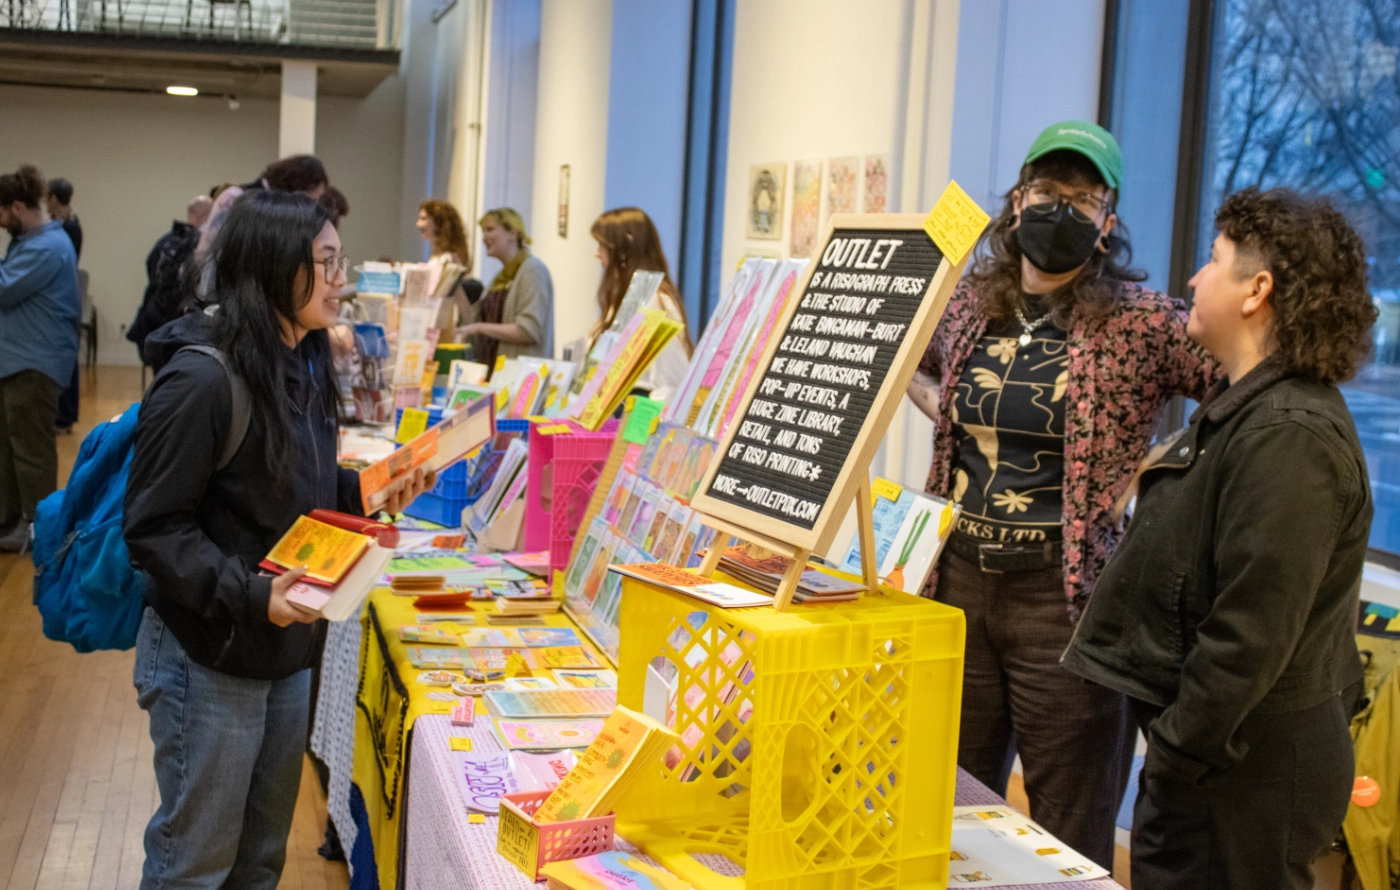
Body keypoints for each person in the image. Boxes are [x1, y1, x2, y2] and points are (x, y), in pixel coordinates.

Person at [906, 121, 1218, 869]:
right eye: (1049, 191)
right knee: (955, 807)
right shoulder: (967, 310)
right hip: (957, 586)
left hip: (1068, 604)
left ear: (1108, 222)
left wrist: (1153, 469)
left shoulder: (1141, 323)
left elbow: (1244, 388)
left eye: (1085, 198)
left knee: (1067, 830)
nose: (1063, 210)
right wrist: (938, 401)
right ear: (1017, 201)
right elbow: (903, 361)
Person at [1062, 187, 1375, 889]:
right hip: (1218, 766)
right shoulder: (1251, 412)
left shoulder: (1291, 435)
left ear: (1257, 290)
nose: (1196, 278)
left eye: (1213, 260)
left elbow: (1249, 630)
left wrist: (1175, 754)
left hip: (1241, 775)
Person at [123, 190, 433, 889]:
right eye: (324, 263)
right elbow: (152, 526)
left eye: (339, 260)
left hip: (285, 651)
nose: (341, 280)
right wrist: (254, 594)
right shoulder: (204, 378)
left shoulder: (305, 358)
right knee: (193, 866)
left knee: (260, 861)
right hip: (209, 652)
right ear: (271, 268)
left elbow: (295, 492)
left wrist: (367, 493)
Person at [0, 165, 79, 554]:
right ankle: (13, 521)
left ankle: (38, 527)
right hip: (18, 362)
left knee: (30, 451)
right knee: (8, 446)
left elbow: (2, 289)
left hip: (33, 364)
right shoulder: (33, 241)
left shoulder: (46, 247)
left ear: (17, 206)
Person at [590, 207, 694, 400]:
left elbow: (672, 380)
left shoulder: (655, 300)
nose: (597, 254)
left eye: (602, 245)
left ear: (625, 245)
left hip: (639, 417)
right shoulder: (626, 296)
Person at [457, 208, 552, 370]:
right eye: (483, 231)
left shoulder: (533, 271)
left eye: (490, 230)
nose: (484, 238)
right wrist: (455, 285)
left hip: (520, 380)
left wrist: (480, 327)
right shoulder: (498, 278)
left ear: (513, 233)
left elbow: (528, 331)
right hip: (494, 375)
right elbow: (472, 324)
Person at [127, 195, 212, 357]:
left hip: (153, 320)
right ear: (204, 217)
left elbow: (151, 270)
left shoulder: (164, 241)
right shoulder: (196, 247)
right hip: (176, 325)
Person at [46, 177, 83, 433]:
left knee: (66, 361)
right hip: (63, 299)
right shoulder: (68, 224)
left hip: (60, 301)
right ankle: (62, 416)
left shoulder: (66, 228)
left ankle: (65, 417)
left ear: (54, 199)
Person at [416, 199, 483, 333]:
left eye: (423, 218)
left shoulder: (446, 260)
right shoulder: (438, 258)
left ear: (438, 222)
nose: (418, 224)